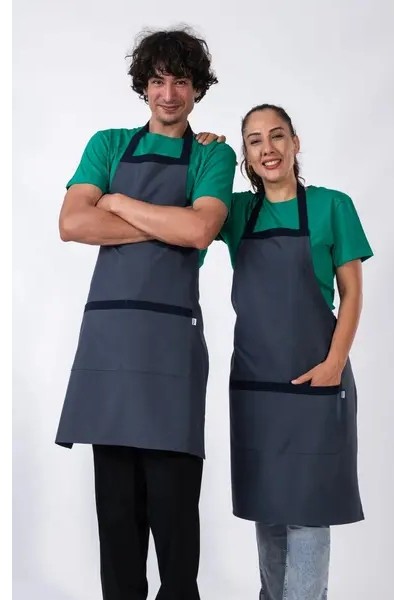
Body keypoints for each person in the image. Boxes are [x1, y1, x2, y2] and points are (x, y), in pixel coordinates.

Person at [55, 27, 236, 600]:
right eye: (157, 81)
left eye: (180, 81)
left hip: (170, 348)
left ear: (197, 88)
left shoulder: (213, 154)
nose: (168, 94)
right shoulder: (108, 144)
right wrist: (166, 222)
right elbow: (72, 224)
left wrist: (117, 202)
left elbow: (201, 229)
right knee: (117, 518)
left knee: (175, 519)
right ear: (143, 87)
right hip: (109, 344)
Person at [213, 103, 373, 599]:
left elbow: (352, 293)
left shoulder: (332, 206)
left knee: (309, 512)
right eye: (255, 140)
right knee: (268, 511)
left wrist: (334, 364)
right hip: (256, 387)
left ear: (295, 143)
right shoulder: (237, 212)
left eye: (277, 135)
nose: (268, 148)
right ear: (246, 155)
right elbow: (189, 210)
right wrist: (205, 152)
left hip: (315, 381)